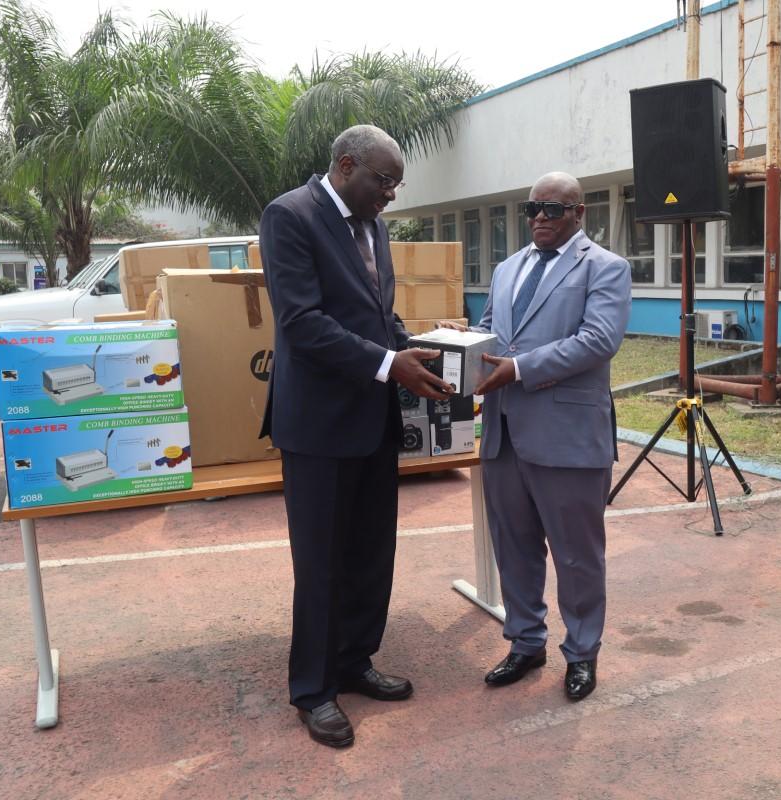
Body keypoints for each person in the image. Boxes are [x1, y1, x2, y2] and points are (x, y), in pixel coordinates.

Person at [259, 124, 451, 748]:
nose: (391, 195)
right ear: (346, 166)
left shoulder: (374, 226)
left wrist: (416, 347)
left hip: (373, 419)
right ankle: (314, 690)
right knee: (321, 563)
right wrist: (390, 364)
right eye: (384, 181)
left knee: (371, 552)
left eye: (396, 185)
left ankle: (354, 661)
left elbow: (375, 313)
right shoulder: (290, 216)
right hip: (318, 426)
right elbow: (302, 322)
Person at [441, 171, 630, 701]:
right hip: (503, 432)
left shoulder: (605, 267)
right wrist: (464, 338)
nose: (540, 218)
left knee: (577, 555)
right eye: (533, 209)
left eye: (553, 208)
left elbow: (598, 340)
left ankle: (582, 652)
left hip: (567, 436)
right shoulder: (507, 269)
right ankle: (525, 642)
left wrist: (519, 368)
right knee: (514, 548)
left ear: (579, 213)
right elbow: (494, 335)